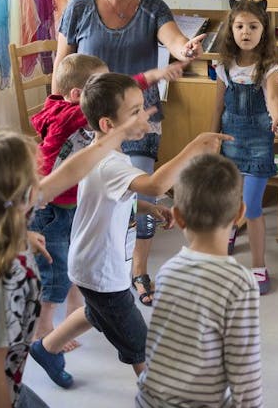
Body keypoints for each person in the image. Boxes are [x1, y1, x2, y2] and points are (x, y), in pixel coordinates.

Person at [0, 113, 152, 408]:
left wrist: (117, 133)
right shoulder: (6, 272)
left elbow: (70, 172)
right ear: (27, 194)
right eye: (38, 173)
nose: (45, 178)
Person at [31, 72, 230, 388]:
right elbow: (155, 183)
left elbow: (107, 199)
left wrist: (148, 207)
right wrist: (194, 147)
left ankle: (46, 348)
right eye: (135, 111)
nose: (145, 117)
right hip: (100, 269)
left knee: (98, 314)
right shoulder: (111, 163)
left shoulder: (97, 152)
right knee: (140, 344)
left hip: (88, 263)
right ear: (108, 125)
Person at [53, 0, 203, 306]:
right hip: (91, 121)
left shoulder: (153, 7)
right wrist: (56, 112)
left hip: (139, 117)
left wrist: (184, 48)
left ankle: (138, 268)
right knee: (92, 199)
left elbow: (172, 41)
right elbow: (61, 67)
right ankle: (91, 272)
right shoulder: (80, 8)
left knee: (142, 186)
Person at [29, 53, 177, 345]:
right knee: (57, 271)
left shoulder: (102, 148)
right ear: (77, 95)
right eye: (98, 85)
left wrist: (144, 206)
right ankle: (44, 329)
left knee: (74, 269)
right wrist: (154, 76)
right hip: (52, 206)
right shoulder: (70, 114)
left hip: (70, 202)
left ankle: (66, 326)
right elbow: (156, 184)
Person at [137, 153, 263, 408]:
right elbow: (245, 372)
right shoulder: (239, 283)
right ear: (240, 214)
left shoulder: (167, 270)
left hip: (148, 399)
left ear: (177, 216)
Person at [211, 0, 278, 294]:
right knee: (230, 201)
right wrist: (211, 137)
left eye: (253, 26)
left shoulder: (269, 68)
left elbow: (274, 99)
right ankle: (230, 231)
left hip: (258, 144)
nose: (246, 32)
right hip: (229, 141)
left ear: (263, 30)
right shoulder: (223, 66)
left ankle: (258, 265)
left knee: (252, 206)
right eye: (240, 26)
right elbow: (217, 107)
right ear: (231, 29)